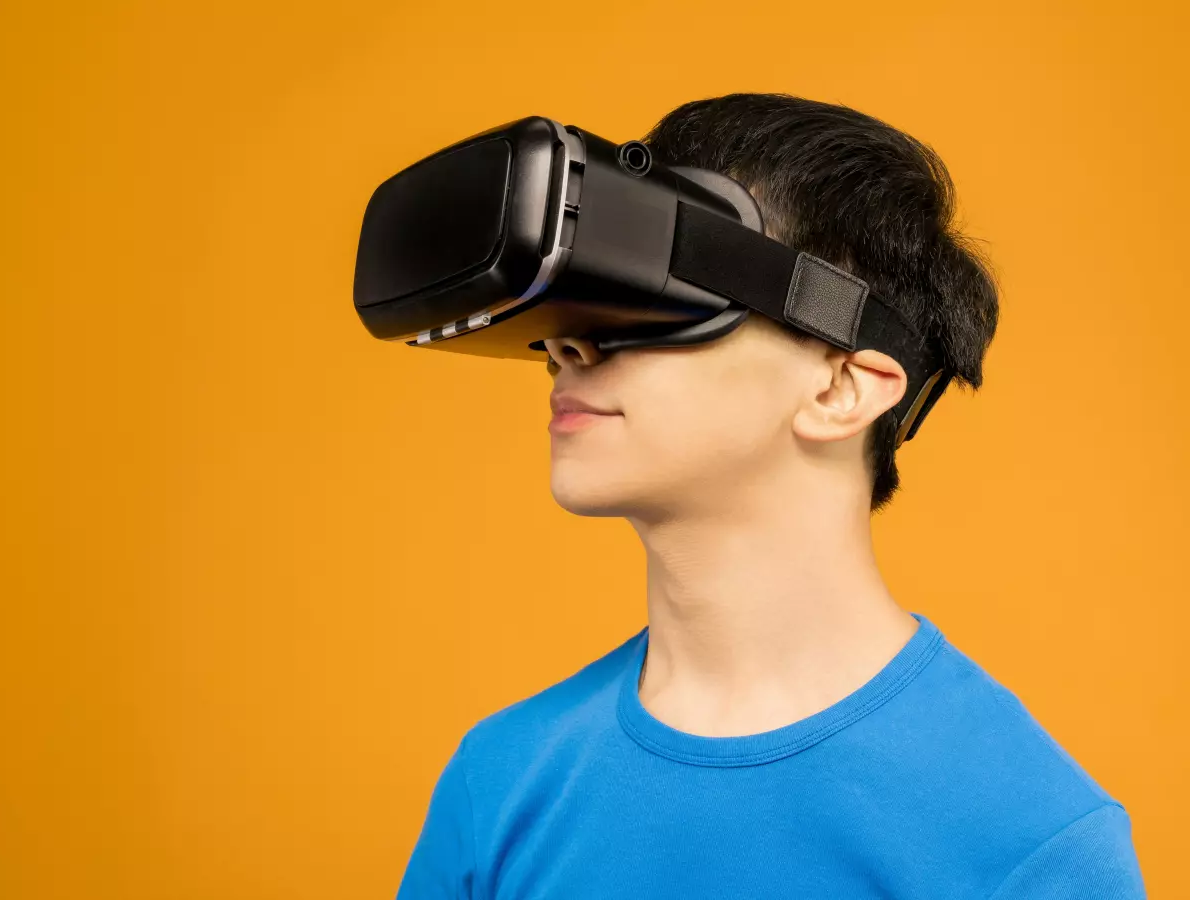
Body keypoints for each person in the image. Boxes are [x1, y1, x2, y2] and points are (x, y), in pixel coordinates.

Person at [395, 93, 1146, 899]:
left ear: (841, 387)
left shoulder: (1028, 841)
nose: (569, 344)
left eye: (650, 300)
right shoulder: (499, 780)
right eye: (578, 305)